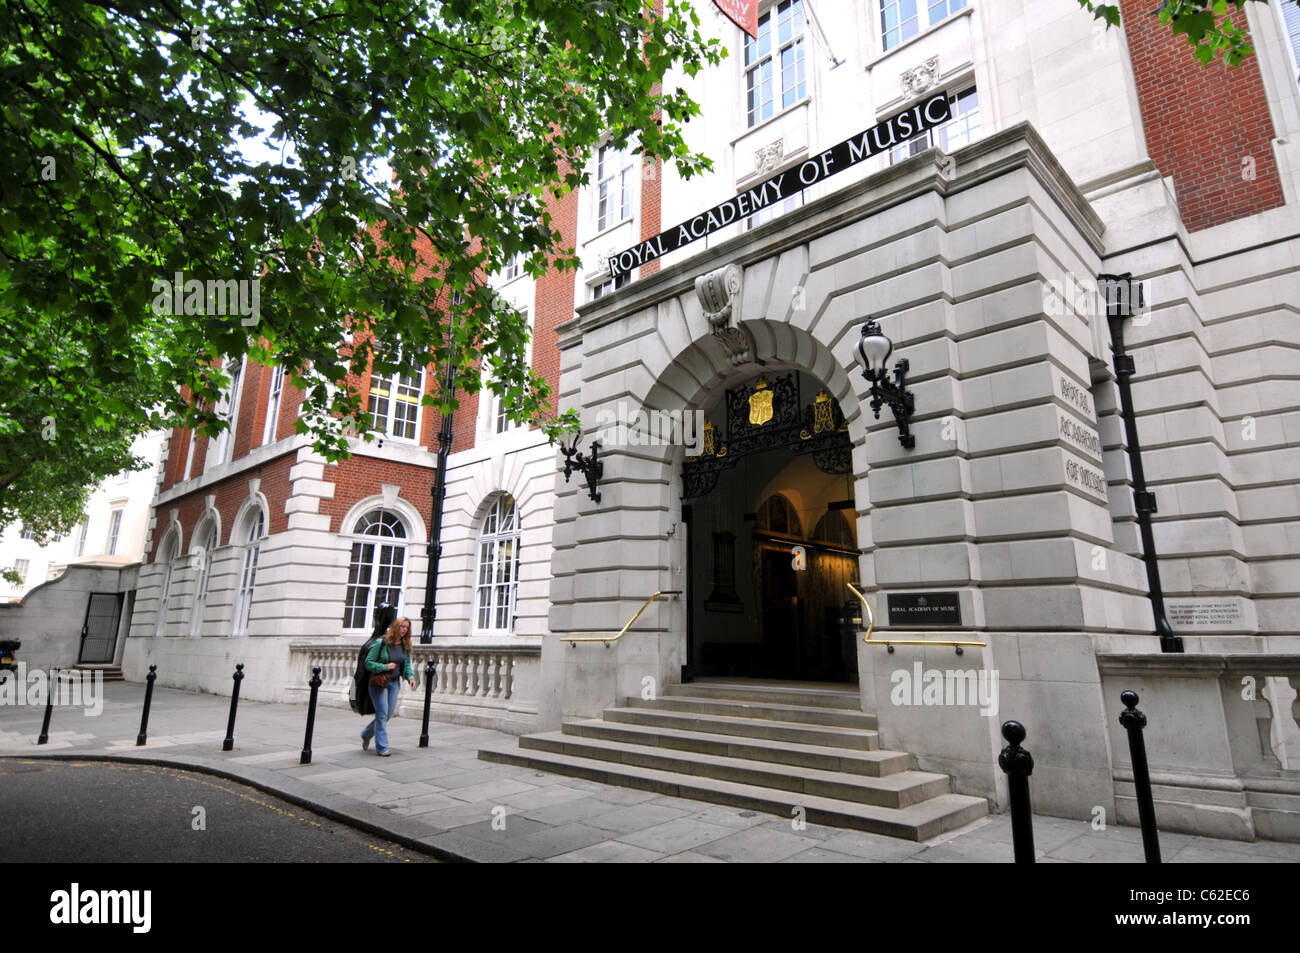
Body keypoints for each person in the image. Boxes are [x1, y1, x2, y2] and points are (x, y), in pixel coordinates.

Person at [360, 616, 416, 756]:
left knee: (387, 715)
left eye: (407, 627)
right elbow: (368, 662)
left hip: (394, 683)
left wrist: (410, 677)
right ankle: (382, 747)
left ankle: (366, 734)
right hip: (379, 682)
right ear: (396, 626)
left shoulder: (404, 645)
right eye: (402, 626)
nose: (404, 630)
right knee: (382, 714)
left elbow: (406, 664)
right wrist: (385, 666)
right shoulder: (382, 642)